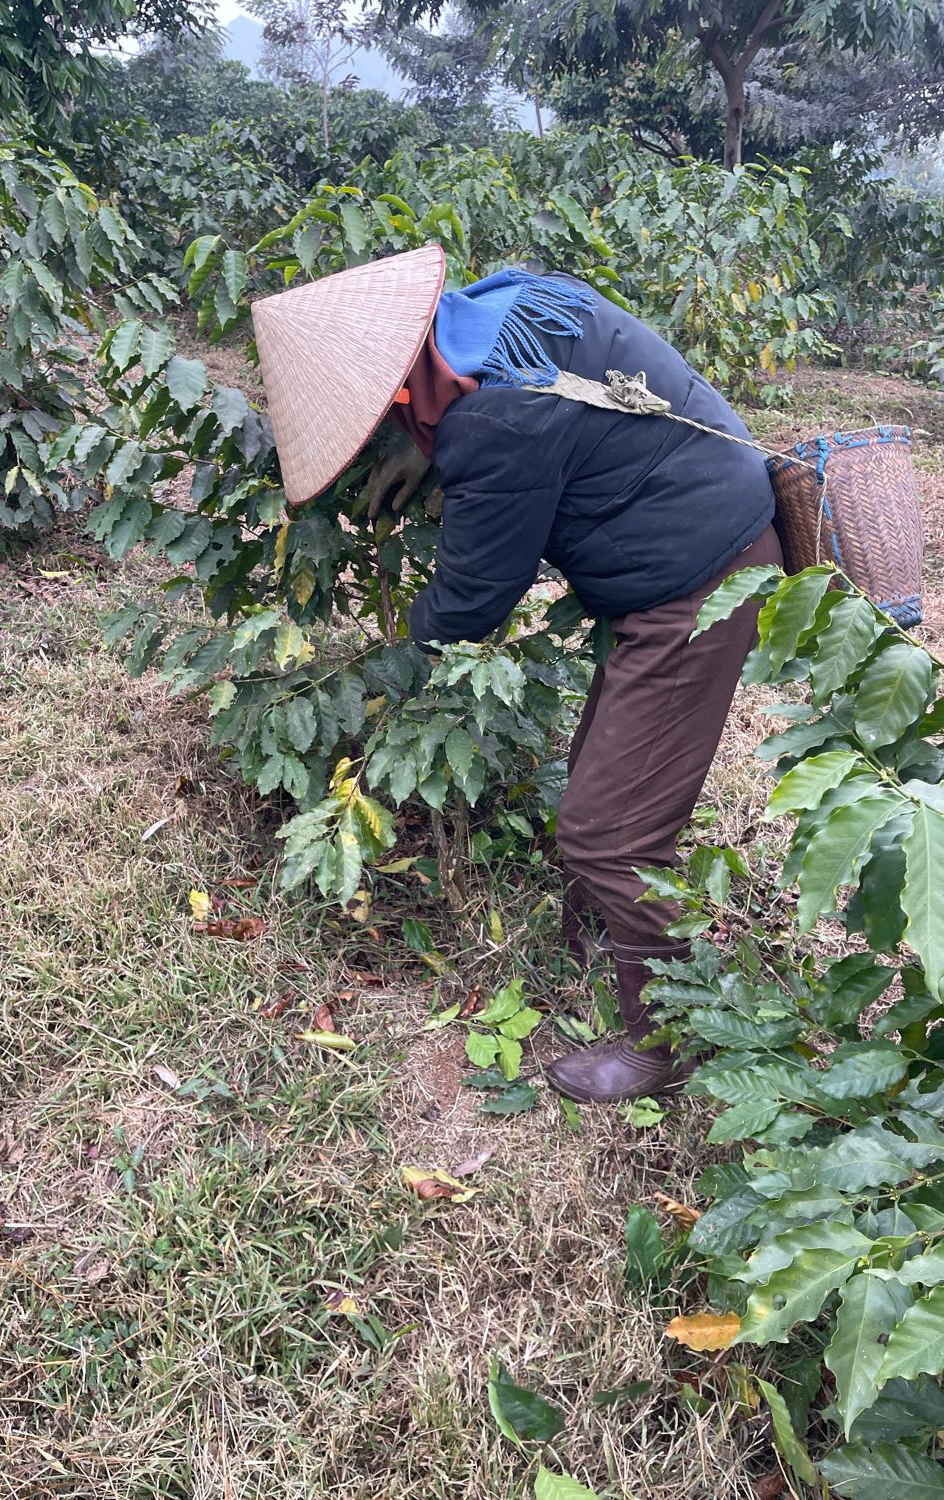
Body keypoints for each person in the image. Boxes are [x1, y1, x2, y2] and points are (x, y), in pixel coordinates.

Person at [251, 243, 784, 1104]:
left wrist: (384, 671)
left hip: (700, 580)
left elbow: (470, 601)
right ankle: (600, 935)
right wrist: (434, 448)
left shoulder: (496, 426)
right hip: (696, 524)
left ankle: (669, 1037)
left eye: (389, 414)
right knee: (600, 773)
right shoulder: (512, 303)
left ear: (401, 383)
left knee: (609, 832)